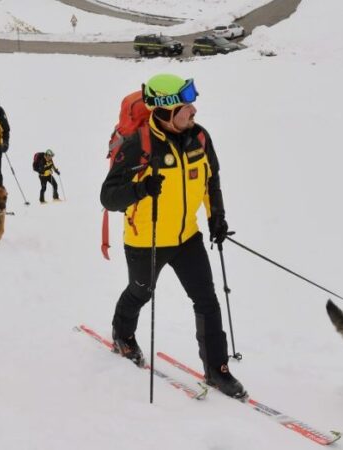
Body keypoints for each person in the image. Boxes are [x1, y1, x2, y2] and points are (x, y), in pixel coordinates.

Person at [100, 73, 245, 399]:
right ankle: (123, 334)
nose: (193, 110)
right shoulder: (139, 145)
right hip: (145, 239)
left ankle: (217, 370)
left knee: (206, 300)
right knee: (141, 293)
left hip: (186, 237)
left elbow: (211, 180)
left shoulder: (200, 138)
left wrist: (216, 217)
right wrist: (140, 188)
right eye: (185, 105)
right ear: (165, 111)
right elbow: (108, 197)